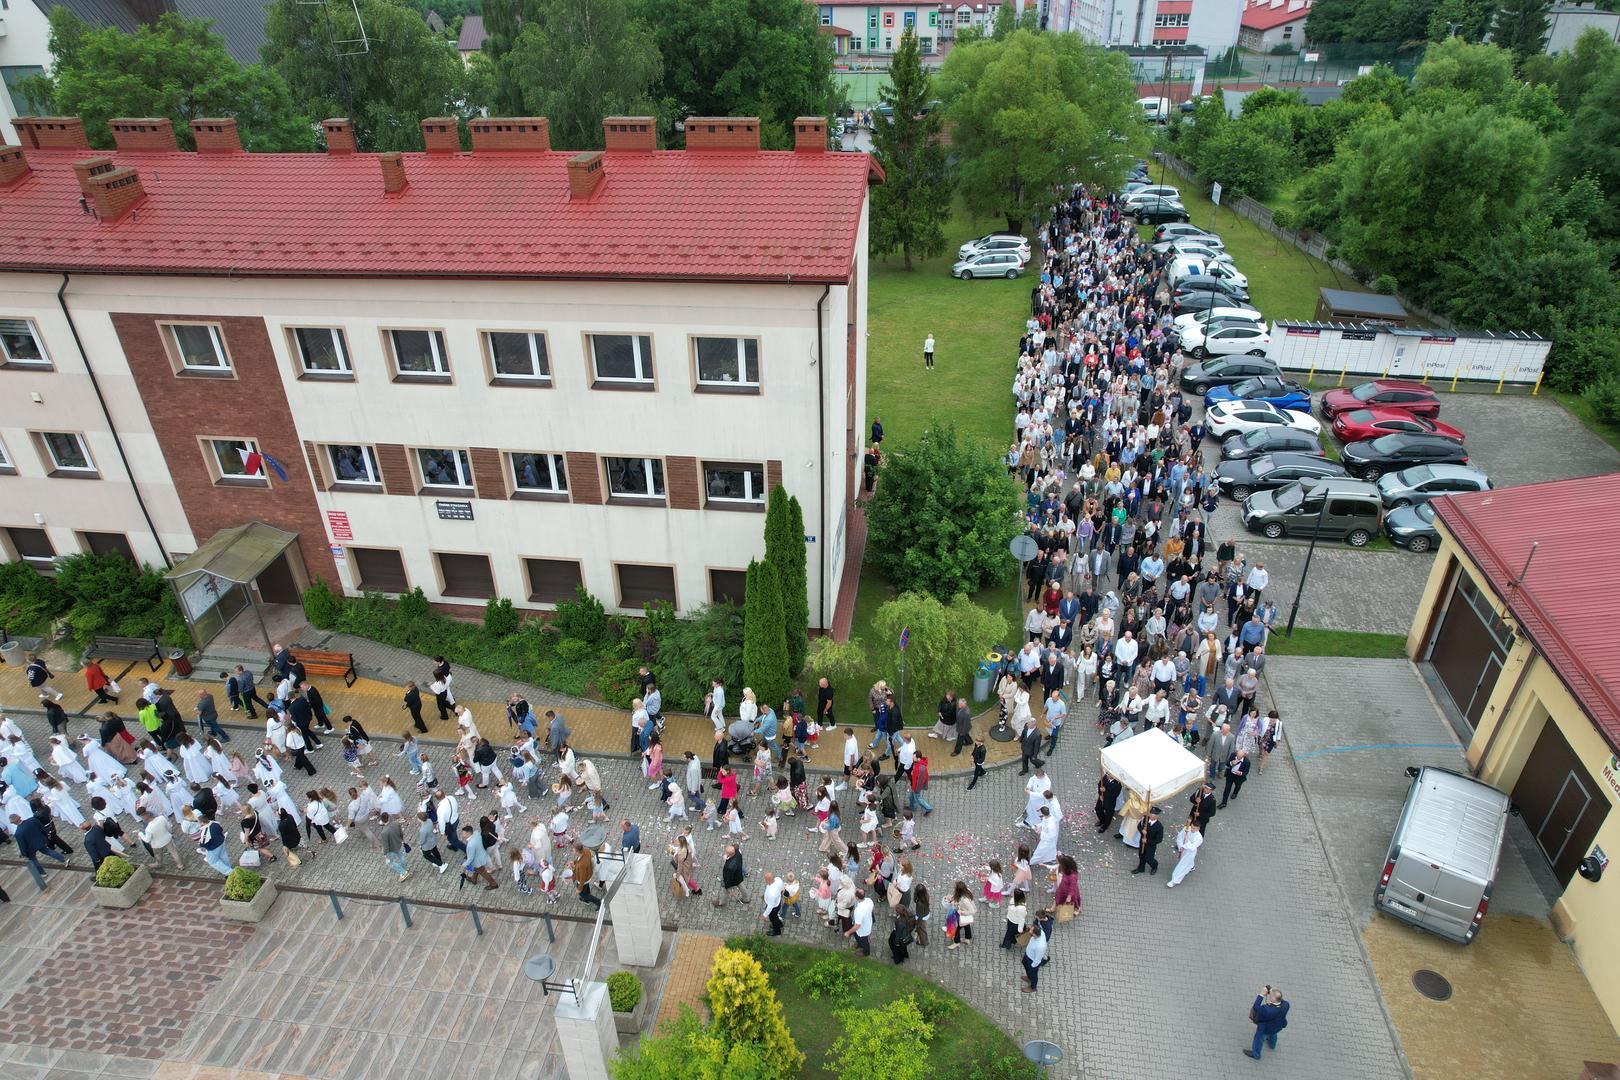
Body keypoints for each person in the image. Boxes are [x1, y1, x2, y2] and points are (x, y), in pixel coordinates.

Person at [1244, 986, 1290, 1060]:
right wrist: (1273, 992)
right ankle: (1272, 1045)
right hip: (1278, 1026)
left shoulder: (1267, 1009)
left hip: (1265, 1029)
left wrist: (1261, 995)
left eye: (1270, 996)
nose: (1269, 996)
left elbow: (1256, 1007)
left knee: (1258, 1039)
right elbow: (1279, 999)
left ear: (1273, 999)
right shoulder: (1286, 1004)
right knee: (1273, 1034)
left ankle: (1256, 1054)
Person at [1167, 818, 1202, 888]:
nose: (1192, 829)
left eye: (1194, 828)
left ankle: (1174, 880)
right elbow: (1180, 837)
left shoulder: (1199, 838)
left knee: (1182, 866)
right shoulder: (1187, 828)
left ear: (1198, 829)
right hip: (1183, 849)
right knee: (1187, 863)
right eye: (1192, 827)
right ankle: (1192, 866)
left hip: (1190, 853)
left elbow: (1192, 847)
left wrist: (1186, 841)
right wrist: (1180, 846)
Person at [1132, 806, 1163, 875]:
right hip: (1142, 842)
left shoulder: (1159, 827)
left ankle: (1154, 866)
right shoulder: (1145, 819)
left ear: (1157, 816)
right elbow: (1139, 826)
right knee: (1141, 855)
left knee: (1149, 858)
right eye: (1151, 814)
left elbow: (1159, 840)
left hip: (1151, 845)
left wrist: (1147, 841)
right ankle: (1141, 868)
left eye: (1154, 815)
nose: (1152, 816)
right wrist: (1142, 831)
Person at [1021, 917, 1048, 993]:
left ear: (1034, 934)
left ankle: (1033, 987)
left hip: (1032, 961)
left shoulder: (1040, 946)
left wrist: (1032, 966)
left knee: (1033, 975)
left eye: (1031, 931)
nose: (1029, 931)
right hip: (1028, 955)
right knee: (1024, 963)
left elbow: (1038, 959)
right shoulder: (1041, 932)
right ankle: (1029, 976)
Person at [845, 887, 874, 956]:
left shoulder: (859, 911)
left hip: (863, 930)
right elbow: (872, 909)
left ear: (857, 897)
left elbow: (857, 926)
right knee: (857, 936)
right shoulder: (869, 900)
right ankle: (859, 944)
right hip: (862, 925)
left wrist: (848, 932)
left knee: (864, 942)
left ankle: (866, 952)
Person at [571, 841, 599, 907]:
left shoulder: (581, 865)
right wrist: (574, 863)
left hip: (584, 879)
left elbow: (582, 878)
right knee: (586, 887)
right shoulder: (586, 850)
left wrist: (579, 889)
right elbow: (578, 859)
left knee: (582, 894)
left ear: (577, 852)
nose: (572, 851)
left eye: (573, 850)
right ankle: (587, 900)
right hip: (588, 874)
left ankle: (598, 902)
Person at [761, 871, 785, 936]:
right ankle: (780, 924)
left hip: (774, 907)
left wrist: (765, 915)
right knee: (775, 917)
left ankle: (777, 931)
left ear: (768, 880)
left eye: (765, 879)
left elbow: (770, 906)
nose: (765, 880)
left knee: (773, 919)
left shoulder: (772, 894)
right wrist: (764, 896)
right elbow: (782, 888)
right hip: (777, 902)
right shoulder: (778, 879)